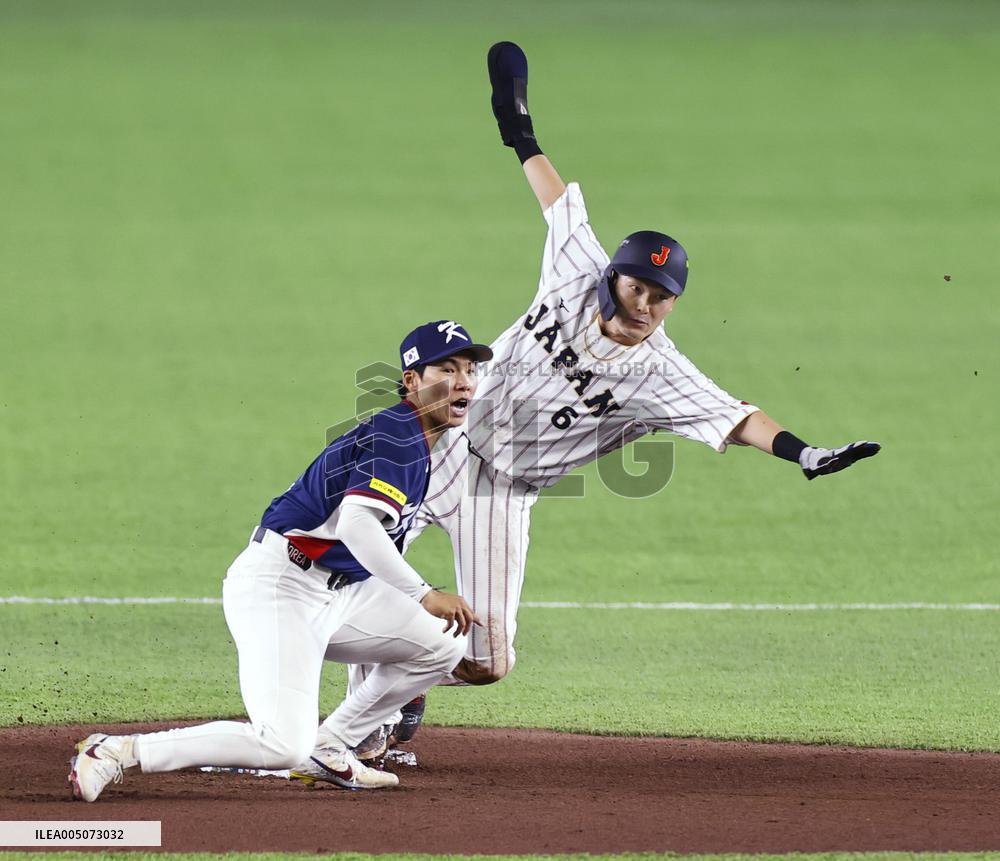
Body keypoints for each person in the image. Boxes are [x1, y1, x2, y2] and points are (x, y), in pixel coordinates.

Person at [347, 42, 880, 738]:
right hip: (441, 443)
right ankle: (331, 705)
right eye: (638, 287)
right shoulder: (577, 266)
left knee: (487, 659)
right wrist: (517, 122)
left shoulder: (664, 373)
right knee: (354, 559)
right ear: (613, 278)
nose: (647, 306)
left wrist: (805, 453)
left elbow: (739, 417)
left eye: (663, 297)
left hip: (503, 491)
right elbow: (552, 196)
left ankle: (402, 687)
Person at [68, 321, 492, 801]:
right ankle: (116, 751)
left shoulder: (415, 436)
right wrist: (424, 594)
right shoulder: (400, 434)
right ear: (411, 380)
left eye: (470, 370)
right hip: (282, 585)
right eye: (447, 368)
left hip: (342, 592)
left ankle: (331, 747)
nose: (463, 381)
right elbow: (357, 525)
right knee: (280, 744)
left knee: (442, 644)